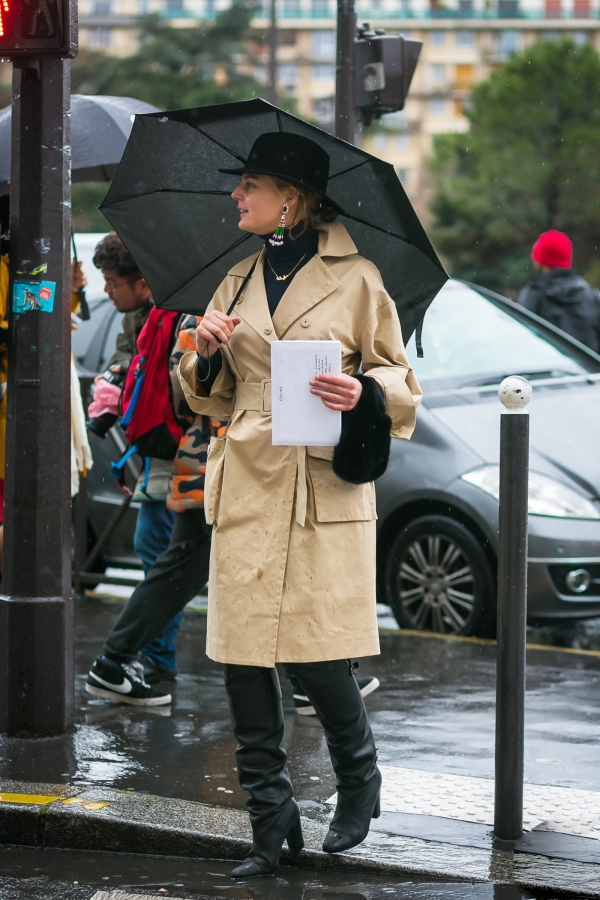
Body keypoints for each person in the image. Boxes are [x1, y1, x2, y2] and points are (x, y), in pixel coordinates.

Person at [177, 132, 422, 877]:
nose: (235, 197)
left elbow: (401, 380)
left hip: (322, 481)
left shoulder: (359, 279)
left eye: (247, 185)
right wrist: (206, 349)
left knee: (318, 654)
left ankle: (359, 778)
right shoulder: (237, 277)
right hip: (249, 476)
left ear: (291, 196)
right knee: (243, 660)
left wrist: (366, 393)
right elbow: (201, 391)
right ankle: (268, 818)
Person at [89, 234, 181, 680]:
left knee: (162, 555)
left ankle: (154, 663)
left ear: (143, 284)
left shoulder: (174, 317)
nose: (107, 291)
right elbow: (126, 361)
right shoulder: (136, 321)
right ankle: (156, 660)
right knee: (163, 555)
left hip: (177, 455)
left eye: (112, 282)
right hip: (157, 456)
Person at [519, 230, 600, 354]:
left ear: (540, 262)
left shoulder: (533, 295)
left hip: (550, 372)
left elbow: (523, 345)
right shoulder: (592, 297)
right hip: (589, 372)